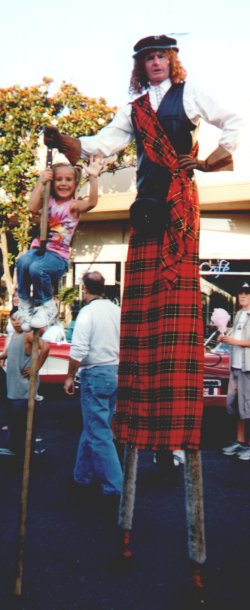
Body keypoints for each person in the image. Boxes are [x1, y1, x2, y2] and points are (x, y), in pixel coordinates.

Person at [45, 34, 241, 595]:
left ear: (171, 61)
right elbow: (99, 147)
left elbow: (235, 122)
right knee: (144, 307)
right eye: (146, 59)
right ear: (139, 66)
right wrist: (67, 141)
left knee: (177, 292)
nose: (155, 64)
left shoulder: (189, 92)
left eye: (161, 57)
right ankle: (139, 412)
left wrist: (209, 158)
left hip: (179, 198)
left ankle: (173, 409)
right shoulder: (132, 111)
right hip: (146, 207)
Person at [16, 156, 103, 331]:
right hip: (39, 250)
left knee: (37, 269)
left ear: (75, 183)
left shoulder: (73, 206)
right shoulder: (48, 201)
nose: (63, 183)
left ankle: (47, 305)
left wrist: (93, 177)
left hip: (57, 256)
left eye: (68, 179)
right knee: (23, 262)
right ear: (52, 182)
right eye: (59, 179)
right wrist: (41, 182)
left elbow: (92, 203)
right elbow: (32, 208)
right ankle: (25, 302)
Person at [64, 271, 123, 497]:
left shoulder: (87, 313)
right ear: (104, 288)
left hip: (95, 373)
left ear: (84, 289)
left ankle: (115, 487)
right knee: (96, 426)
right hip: (115, 371)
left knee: (98, 432)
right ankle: (82, 475)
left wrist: (70, 376)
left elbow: (78, 348)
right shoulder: (116, 310)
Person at [0, 307, 49, 457]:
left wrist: (35, 368)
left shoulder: (27, 335)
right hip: (13, 388)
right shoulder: (14, 336)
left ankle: (28, 451)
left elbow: (46, 347)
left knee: (25, 423)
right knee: (14, 421)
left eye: (19, 319)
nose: (16, 322)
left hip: (24, 389)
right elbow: (7, 354)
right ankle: (16, 448)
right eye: (13, 319)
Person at [219, 283, 250, 460]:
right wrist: (223, 336)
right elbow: (234, 334)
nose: (243, 296)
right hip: (236, 366)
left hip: (248, 367)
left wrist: (234, 342)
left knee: (249, 406)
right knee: (237, 406)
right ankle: (240, 441)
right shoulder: (239, 314)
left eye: (246, 293)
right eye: (241, 293)